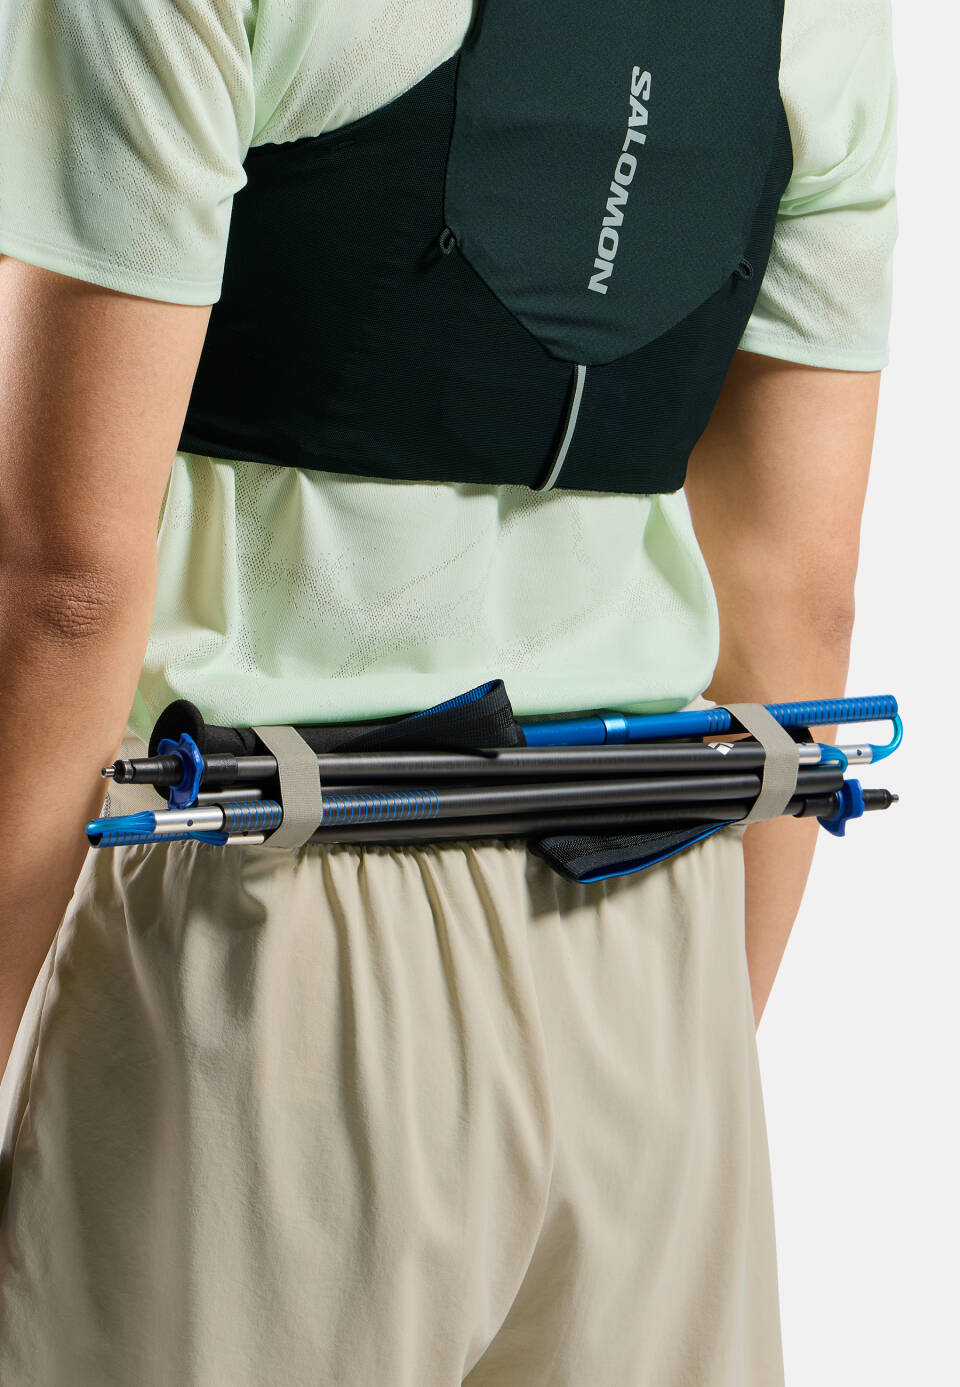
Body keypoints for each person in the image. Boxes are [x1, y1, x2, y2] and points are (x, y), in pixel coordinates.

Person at [0, 0, 896, 1382]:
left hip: (252, 944)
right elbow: (798, 599)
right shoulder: (830, 23)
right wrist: (695, 1048)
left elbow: (66, 588)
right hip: (658, 944)